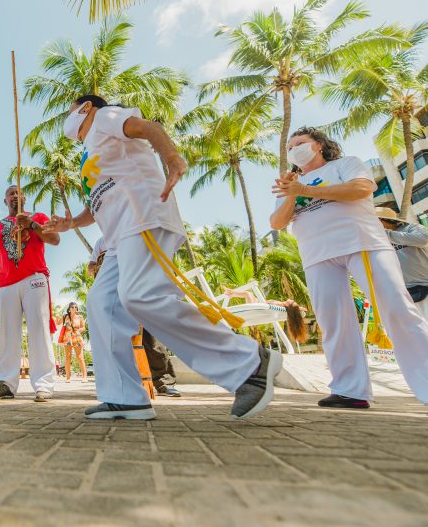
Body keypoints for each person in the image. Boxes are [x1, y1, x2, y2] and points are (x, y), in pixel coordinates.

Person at [46, 95, 277, 420]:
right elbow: (99, 201)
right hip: (117, 239)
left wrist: (171, 158)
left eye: (69, 111)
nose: (67, 119)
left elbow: (148, 127)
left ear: (85, 108)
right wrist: (71, 223)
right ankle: (125, 397)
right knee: (101, 304)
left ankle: (249, 363)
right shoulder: (89, 150)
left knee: (140, 296)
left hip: (143, 218)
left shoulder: (106, 117)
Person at [270, 126, 428, 409]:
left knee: (396, 309)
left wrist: (304, 189)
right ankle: (350, 390)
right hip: (317, 255)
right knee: (333, 322)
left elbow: (361, 189)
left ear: (318, 145)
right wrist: (292, 193)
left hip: (362, 243)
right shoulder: (289, 184)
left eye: (301, 142)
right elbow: (278, 223)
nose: (294, 149)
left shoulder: (344, 164)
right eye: (290, 147)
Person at [0, 185, 60, 402]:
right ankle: (5, 384)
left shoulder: (38, 216)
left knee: (38, 330)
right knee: (8, 333)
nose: (15, 195)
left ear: (24, 197)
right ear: (5, 201)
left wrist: (30, 224)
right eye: (10, 193)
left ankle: (43, 384)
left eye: (18, 192)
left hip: (34, 277)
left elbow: (54, 239)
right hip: (6, 283)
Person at [89, 234, 181, 397]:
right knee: (115, 340)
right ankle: (120, 386)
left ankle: (163, 382)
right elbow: (91, 268)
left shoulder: (134, 232)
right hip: (113, 293)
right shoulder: (101, 242)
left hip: (139, 289)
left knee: (151, 337)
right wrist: (98, 265)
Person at [376, 207, 428, 322]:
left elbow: (423, 239)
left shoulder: (412, 227)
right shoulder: (380, 239)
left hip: (425, 284)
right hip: (406, 292)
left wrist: (388, 235)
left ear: (384, 220)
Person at [58, 302, 87, 382]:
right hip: (67, 339)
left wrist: (79, 331)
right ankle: (68, 377)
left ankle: (84, 376)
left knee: (80, 357)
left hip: (77, 338)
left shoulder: (80, 317)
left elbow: (83, 327)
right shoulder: (65, 316)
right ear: (69, 309)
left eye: (75, 307)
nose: (74, 308)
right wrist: (55, 316)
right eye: (72, 307)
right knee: (68, 357)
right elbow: (57, 323)